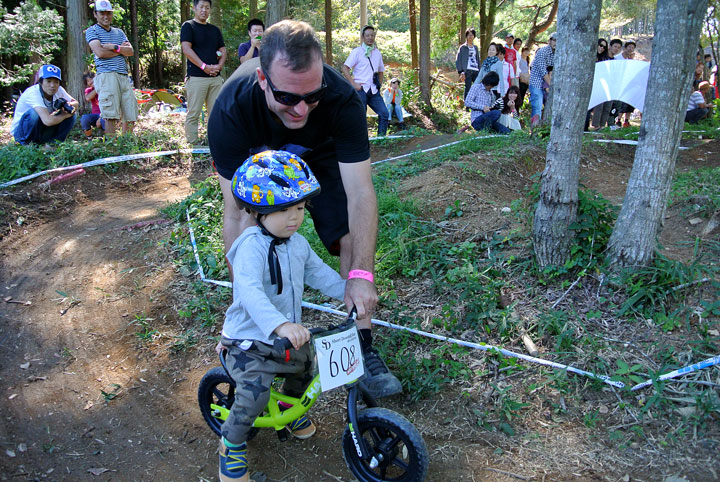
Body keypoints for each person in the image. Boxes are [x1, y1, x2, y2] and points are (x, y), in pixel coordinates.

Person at [207, 20, 402, 400]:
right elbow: (236, 214)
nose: (300, 110)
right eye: (287, 97)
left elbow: (360, 193)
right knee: (254, 233)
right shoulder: (230, 110)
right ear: (263, 79)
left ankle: (361, 344)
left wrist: (361, 274)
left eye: (311, 97)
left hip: (322, 152)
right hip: (257, 157)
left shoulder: (342, 99)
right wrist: (242, 309)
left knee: (348, 235)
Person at [217, 150, 346, 482]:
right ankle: (231, 444)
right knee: (254, 394)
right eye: (284, 209)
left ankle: (289, 411)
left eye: (300, 208)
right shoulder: (251, 247)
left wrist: (349, 291)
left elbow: (319, 274)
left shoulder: (297, 243)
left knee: (305, 368)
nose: (294, 218)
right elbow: (248, 290)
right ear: (259, 211)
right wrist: (281, 324)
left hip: (285, 335)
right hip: (248, 341)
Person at [85, 0, 137, 136]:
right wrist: (121, 50)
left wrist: (113, 47)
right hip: (106, 75)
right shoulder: (92, 31)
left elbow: (130, 51)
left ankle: (127, 143)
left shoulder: (119, 32)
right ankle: (112, 147)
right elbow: (100, 52)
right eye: (102, 13)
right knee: (110, 113)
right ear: (95, 14)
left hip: (123, 75)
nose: (105, 16)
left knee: (130, 111)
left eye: (108, 13)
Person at [180, 0, 226, 145]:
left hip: (215, 78)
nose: (204, 10)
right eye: (201, 7)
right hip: (196, 77)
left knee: (215, 113)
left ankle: (213, 143)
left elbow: (223, 50)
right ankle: (192, 144)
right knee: (193, 112)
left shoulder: (214, 30)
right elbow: (186, 49)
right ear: (194, 8)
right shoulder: (189, 26)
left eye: (207, 7)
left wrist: (219, 66)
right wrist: (203, 66)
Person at [11, 64, 78, 145]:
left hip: (40, 129)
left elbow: (76, 103)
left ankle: (54, 144)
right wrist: (65, 115)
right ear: (41, 81)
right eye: (48, 81)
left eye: (56, 82)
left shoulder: (59, 90)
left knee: (72, 114)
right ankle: (26, 144)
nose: (52, 85)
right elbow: (48, 121)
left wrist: (69, 105)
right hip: (21, 133)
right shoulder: (33, 92)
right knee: (34, 114)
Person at [342, 25, 389, 137]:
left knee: (384, 113)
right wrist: (353, 83)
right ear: (363, 37)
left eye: (372, 35)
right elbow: (345, 68)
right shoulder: (357, 51)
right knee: (360, 116)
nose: (370, 37)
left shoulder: (377, 52)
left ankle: (380, 139)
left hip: (373, 90)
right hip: (360, 89)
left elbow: (381, 70)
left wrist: (379, 85)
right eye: (367, 35)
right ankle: (361, 140)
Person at [529, 32, 556, 126]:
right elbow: (543, 72)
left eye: (558, 40)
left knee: (550, 109)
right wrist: (551, 86)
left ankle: (544, 130)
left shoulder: (557, 53)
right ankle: (534, 131)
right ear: (550, 41)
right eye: (554, 40)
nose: (556, 42)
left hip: (547, 84)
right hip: (536, 83)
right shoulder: (542, 51)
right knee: (537, 107)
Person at [591, 39, 614, 130]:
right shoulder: (590, 56)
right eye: (600, 45)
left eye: (604, 47)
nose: (602, 48)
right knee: (598, 106)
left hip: (603, 84)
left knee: (606, 106)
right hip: (593, 84)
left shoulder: (604, 59)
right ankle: (596, 125)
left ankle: (602, 125)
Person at [455, 28, 480, 101]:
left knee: (477, 88)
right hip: (467, 70)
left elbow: (477, 59)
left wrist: (480, 70)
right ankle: (467, 105)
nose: (470, 37)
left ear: (474, 36)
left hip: (476, 70)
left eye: (472, 35)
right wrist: (461, 72)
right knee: (468, 87)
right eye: (469, 35)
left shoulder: (475, 47)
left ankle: (476, 104)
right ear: (466, 36)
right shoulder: (463, 47)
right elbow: (458, 60)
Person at [81, 72, 106, 139]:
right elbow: (88, 98)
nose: (90, 82)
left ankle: (108, 138)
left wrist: (101, 117)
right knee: (84, 118)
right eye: (88, 81)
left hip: (106, 114)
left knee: (104, 120)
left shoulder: (104, 87)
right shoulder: (89, 90)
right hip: (95, 115)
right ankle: (89, 138)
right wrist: (96, 88)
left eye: (92, 79)